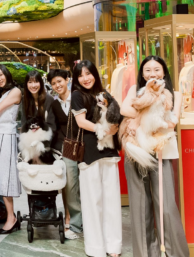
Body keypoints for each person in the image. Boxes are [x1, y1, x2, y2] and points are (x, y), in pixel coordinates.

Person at [120, 56, 189, 257]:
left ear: (164, 71)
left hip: (162, 151)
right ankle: (145, 253)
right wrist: (147, 116)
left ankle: (174, 253)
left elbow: (172, 122)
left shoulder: (174, 94)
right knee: (140, 206)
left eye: (157, 69)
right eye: (148, 70)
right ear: (142, 74)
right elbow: (124, 109)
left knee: (166, 205)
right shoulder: (135, 90)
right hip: (137, 151)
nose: (153, 74)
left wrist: (139, 118)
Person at [71, 60, 122, 257]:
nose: (85, 78)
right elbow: (81, 122)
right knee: (92, 202)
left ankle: (113, 246)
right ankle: (96, 248)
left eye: (88, 73)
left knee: (112, 201)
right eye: (80, 75)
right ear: (76, 79)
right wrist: (104, 130)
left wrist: (114, 128)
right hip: (89, 152)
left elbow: (117, 115)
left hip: (108, 151)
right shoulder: (77, 95)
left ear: (95, 74)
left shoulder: (104, 93)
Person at [0, 64, 22, 235]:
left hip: (6, 136)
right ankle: (5, 214)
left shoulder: (15, 91)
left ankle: (11, 218)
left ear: (6, 74)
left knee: (5, 177)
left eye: (0, 74)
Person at [47, 68, 82, 239]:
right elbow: (55, 129)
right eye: (53, 83)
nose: (57, 85)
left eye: (59, 81)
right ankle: (74, 222)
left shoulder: (78, 98)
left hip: (85, 145)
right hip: (67, 148)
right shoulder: (54, 105)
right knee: (70, 185)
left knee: (86, 185)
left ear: (67, 80)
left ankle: (88, 220)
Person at [21, 70, 58, 162]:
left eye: (36, 82)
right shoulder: (25, 100)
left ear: (41, 83)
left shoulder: (49, 99)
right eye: (30, 82)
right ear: (26, 84)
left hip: (45, 144)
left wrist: (41, 141)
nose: (33, 85)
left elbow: (52, 126)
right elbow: (24, 124)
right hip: (29, 145)